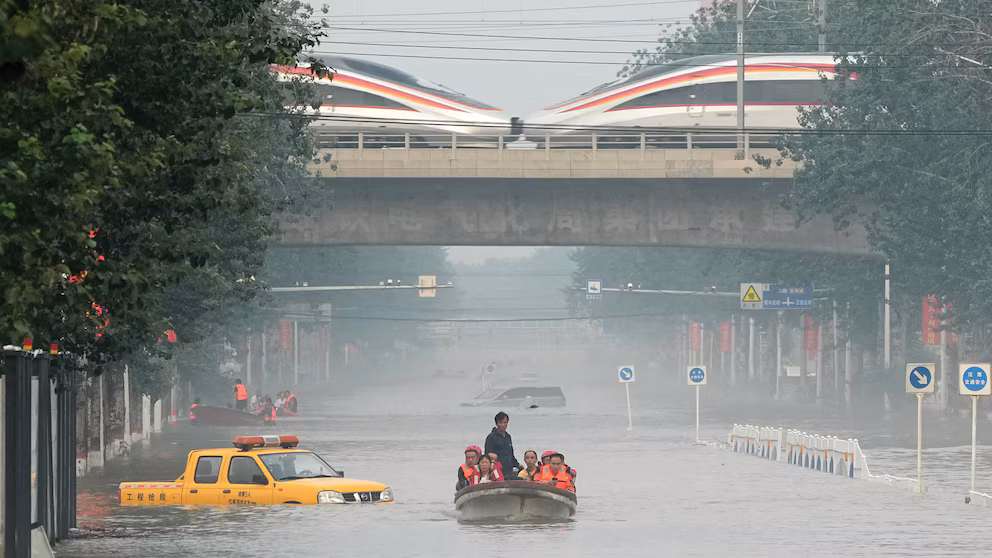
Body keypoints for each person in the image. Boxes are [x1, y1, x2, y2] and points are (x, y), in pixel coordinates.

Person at [484, 411, 521, 476]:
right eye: (501, 423)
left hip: (509, 469)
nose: (503, 425)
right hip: (497, 470)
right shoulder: (491, 437)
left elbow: (511, 455)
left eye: (505, 422)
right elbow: (487, 454)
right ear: (497, 423)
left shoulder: (508, 436)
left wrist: (518, 465)